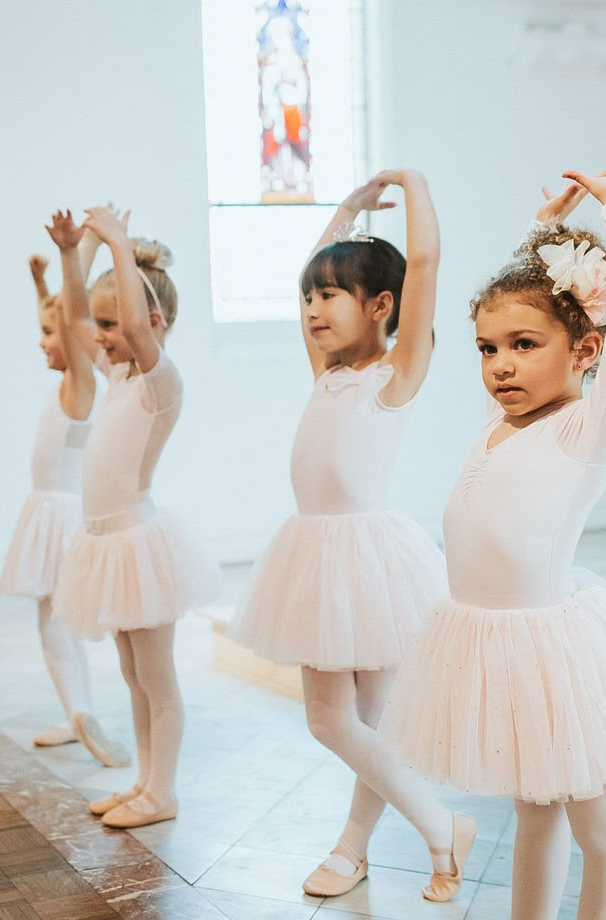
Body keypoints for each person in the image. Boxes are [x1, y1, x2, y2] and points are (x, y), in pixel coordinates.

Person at [381, 164, 606, 918]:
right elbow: (526, 306)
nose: (501, 366)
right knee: (534, 812)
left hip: (561, 657)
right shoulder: (504, 421)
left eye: (523, 346)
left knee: (602, 829)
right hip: (492, 642)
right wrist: (542, 239)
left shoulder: (588, 428)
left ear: (588, 352)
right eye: (487, 349)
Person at [230, 171, 476, 900]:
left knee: (364, 721)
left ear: (381, 306)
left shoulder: (394, 376)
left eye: (329, 295)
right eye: (309, 296)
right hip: (313, 558)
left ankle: (356, 847)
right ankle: (439, 826)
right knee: (335, 721)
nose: (311, 308)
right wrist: (344, 214)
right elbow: (310, 272)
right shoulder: (326, 373)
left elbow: (426, 266)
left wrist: (414, 185)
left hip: (370, 561)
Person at [49, 208, 216, 829]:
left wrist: (116, 242)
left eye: (113, 325)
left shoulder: (157, 382)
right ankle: (143, 781)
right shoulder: (117, 374)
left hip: (139, 545)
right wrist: (74, 254)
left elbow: (135, 336)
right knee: (130, 674)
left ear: (153, 322)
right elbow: (72, 319)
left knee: (156, 676)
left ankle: (163, 792)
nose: (101, 336)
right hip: (105, 547)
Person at [0, 239, 127, 767]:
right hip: (54, 515)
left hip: (59, 519)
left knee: (53, 626)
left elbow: (71, 325)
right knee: (61, 625)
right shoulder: (65, 388)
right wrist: (38, 286)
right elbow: (59, 320)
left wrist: (84, 250)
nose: (42, 343)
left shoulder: (79, 387)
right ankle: (79, 711)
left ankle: (78, 713)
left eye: (48, 335)